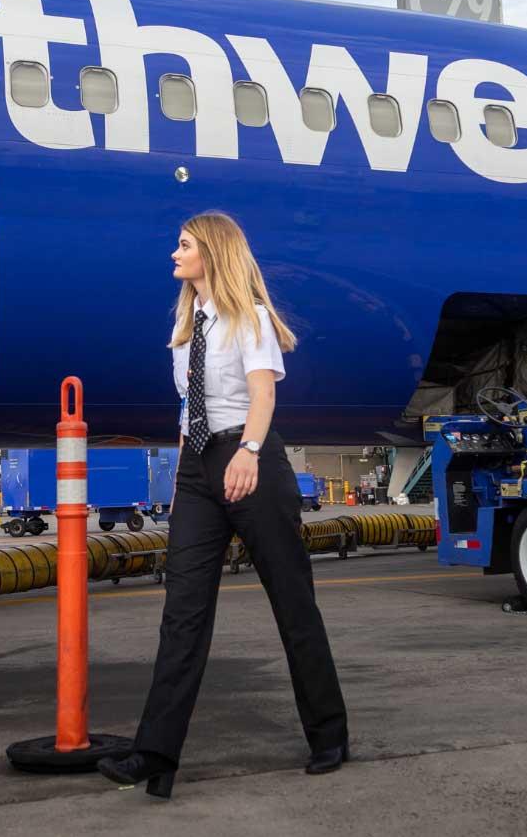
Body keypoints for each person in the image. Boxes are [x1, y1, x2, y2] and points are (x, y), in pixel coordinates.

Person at [97, 211, 348, 799]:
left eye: (183, 245)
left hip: (250, 460)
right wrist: (186, 469)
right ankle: (155, 755)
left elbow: (263, 394)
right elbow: (189, 410)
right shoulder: (186, 332)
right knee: (182, 610)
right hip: (198, 471)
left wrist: (250, 453)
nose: (174, 255)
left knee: (293, 603)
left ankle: (329, 734)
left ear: (211, 252)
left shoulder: (250, 319)